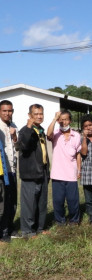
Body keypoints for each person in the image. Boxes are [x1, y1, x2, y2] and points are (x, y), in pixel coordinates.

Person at [17, 104, 49, 238]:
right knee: (29, 204)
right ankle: (27, 231)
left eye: (41, 113)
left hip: (42, 172)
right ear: (30, 116)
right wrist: (29, 127)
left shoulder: (40, 130)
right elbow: (22, 146)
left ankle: (40, 228)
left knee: (41, 203)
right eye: (36, 114)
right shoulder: (25, 130)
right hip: (30, 173)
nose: (39, 116)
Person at [47, 110, 81, 225]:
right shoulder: (55, 134)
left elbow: (78, 154)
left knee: (73, 200)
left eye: (66, 119)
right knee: (58, 201)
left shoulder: (76, 135)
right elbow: (48, 133)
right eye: (61, 120)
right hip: (57, 174)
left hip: (71, 174)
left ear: (70, 120)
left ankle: (74, 220)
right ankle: (60, 221)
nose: (64, 122)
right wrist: (54, 119)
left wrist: (79, 169)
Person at [0, 100, 18, 241]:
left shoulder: (13, 125)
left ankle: (11, 227)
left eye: (9, 110)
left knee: (13, 200)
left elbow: (16, 146)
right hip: (3, 170)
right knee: (4, 202)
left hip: (13, 169)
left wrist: (14, 135)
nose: (7, 113)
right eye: (4, 111)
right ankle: (3, 231)